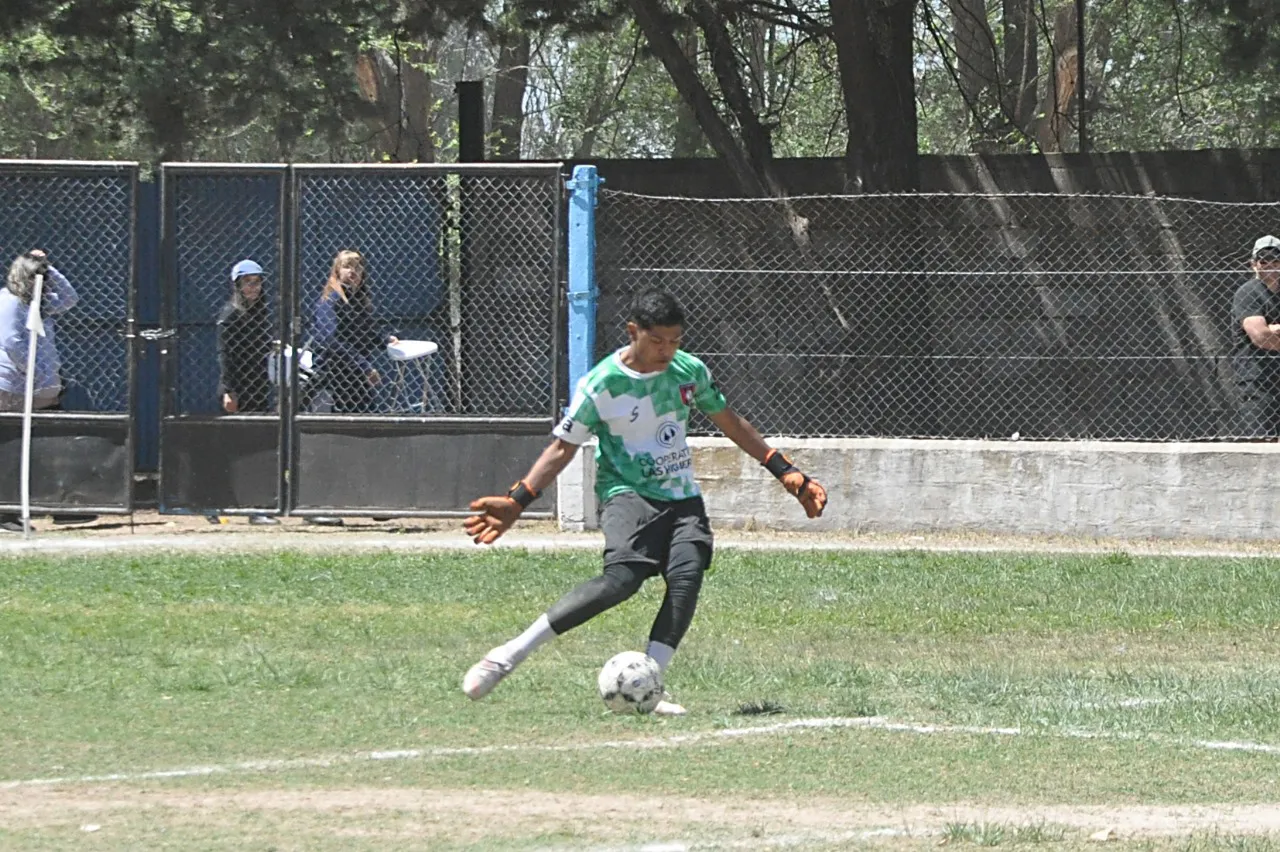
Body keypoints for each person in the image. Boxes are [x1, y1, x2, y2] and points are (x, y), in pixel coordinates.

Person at [461, 289, 828, 714]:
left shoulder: (688, 371)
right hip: (627, 493)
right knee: (622, 580)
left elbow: (729, 420)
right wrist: (519, 500)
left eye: (675, 341)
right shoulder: (601, 384)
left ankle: (648, 686)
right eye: (657, 341)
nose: (666, 351)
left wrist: (783, 468)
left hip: (682, 497)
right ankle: (507, 655)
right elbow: (562, 448)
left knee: (687, 576)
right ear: (633, 331)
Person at [0, 249, 95, 532]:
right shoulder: (10, 301)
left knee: (54, 443)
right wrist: (38, 374)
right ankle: (6, 513)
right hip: (14, 387)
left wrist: (48, 268)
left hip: (41, 388)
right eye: (34, 277)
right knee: (12, 447)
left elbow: (69, 298)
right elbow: (12, 343)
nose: (39, 282)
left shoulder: (38, 303)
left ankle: (61, 505)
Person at [308, 249, 397, 526]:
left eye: (358, 267)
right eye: (347, 267)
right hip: (333, 380)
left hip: (356, 381)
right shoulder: (330, 301)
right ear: (337, 271)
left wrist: (386, 340)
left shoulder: (359, 301)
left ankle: (371, 500)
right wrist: (364, 366)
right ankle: (316, 506)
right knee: (331, 443)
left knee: (367, 437)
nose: (353, 272)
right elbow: (331, 341)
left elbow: (366, 333)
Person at [215, 258, 279, 526]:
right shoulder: (230, 314)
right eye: (247, 283)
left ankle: (256, 505)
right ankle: (219, 503)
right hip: (239, 388)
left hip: (258, 385)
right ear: (237, 285)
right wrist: (229, 391)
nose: (253, 288)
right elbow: (225, 356)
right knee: (237, 448)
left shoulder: (260, 313)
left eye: (257, 282)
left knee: (257, 446)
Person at [1231, 235, 1280, 439]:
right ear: (1253, 264)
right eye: (1264, 261)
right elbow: (1261, 336)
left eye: (1276, 261)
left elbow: (1269, 335)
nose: (1270, 266)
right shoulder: (1248, 292)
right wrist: (1268, 331)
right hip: (1258, 380)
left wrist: (1274, 329)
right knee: (1262, 442)